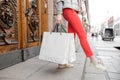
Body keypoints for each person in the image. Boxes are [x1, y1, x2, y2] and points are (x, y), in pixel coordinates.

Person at [55, 0, 106, 70]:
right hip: (69, 10)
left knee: (71, 38)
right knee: (82, 34)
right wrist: (59, 13)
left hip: (72, 10)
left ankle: (62, 62)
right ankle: (93, 59)